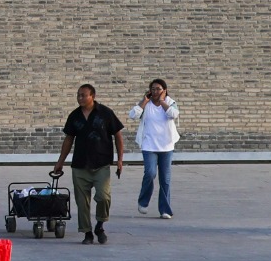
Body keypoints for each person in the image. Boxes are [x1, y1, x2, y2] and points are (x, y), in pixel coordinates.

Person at [51, 85, 125, 244]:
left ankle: (100, 225)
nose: (80, 98)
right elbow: (69, 139)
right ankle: (87, 233)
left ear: (93, 96)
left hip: (101, 164)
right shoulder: (74, 116)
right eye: (78, 95)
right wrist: (60, 162)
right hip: (80, 165)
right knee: (82, 203)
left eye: (83, 95)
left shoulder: (105, 113)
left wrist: (120, 159)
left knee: (103, 197)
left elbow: (118, 135)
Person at [132, 78, 180, 220]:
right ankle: (143, 201)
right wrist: (144, 101)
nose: (155, 92)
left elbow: (174, 114)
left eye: (158, 89)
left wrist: (162, 101)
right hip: (149, 145)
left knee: (165, 179)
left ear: (164, 90)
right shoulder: (146, 104)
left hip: (166, 146)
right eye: (153, 89)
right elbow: (133, 115)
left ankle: (165, 209)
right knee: (150, 173)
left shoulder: (170, 102)